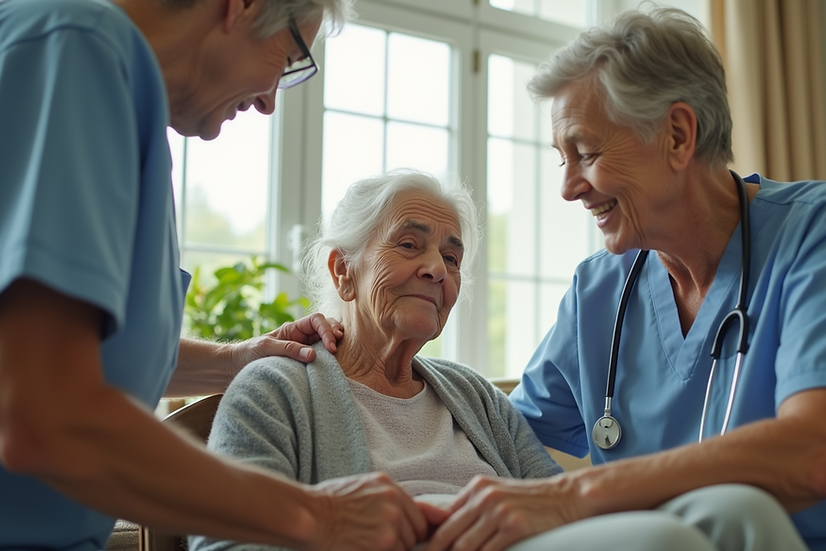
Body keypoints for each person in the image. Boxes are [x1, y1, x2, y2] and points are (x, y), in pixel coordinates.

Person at [409, 7, 826, 551]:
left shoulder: (825, 231)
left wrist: (575, 494)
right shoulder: (598, 292)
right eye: (563, 159)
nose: (569, 188)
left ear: (677, 135)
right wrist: (355, 360)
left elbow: (818, 454)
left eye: (587, 152)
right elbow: (497, 437)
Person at [0, 0, 437, 549]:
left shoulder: (130, 112)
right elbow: (43, 412)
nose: (273, 100)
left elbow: (74, 347)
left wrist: (232, 360)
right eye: (293, 54)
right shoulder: (78, 46)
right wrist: (321, 516)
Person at [189, 169, 563, 551]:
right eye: (408, 244)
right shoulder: (273, 390)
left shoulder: (477, 395)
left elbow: (564, 508)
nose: (437, 269)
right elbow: (226, 543)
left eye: (451, 257)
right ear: (343, 271)